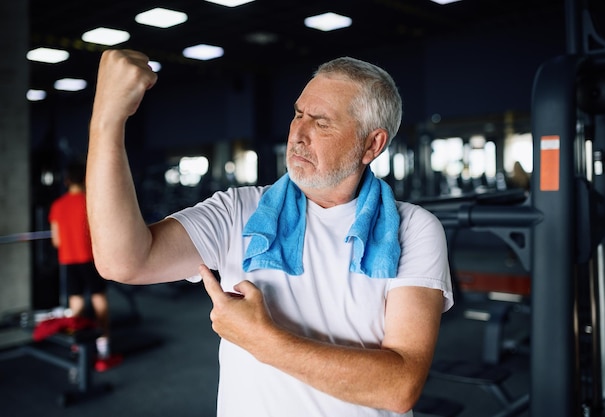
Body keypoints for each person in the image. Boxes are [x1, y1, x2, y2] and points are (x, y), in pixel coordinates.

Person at [86, 49, 454, 416]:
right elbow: (124, 261)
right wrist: (107, 119)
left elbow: (400, 387)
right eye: (298, 114)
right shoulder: (238, 211)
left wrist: (263, 341)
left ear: (372, 144)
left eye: (321, 122)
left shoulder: (414, 229)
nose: (298, 134)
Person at [49, 161, 122, 372]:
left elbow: (56, 241)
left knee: (76, 306)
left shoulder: (57, 205)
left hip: (69, 261)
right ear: (86, 178)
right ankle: (104, 348)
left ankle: (77, 348)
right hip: (91, 259)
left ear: (67, 180)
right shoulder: (92, 202)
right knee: (99, 301)